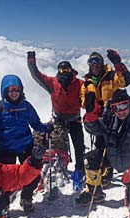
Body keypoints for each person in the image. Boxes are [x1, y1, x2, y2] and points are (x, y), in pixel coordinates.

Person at [76, 89, 130, 205]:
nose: (120, 111)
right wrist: (90, 117)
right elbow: (94, 129)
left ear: (129, 103)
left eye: (123, 106)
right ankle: (94, 193)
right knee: (89, 159)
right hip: (114, 158)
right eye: (116, 108)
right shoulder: (111, 118)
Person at [0, 74, 50, 213]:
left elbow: (35, 124)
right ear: (5, 91)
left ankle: (26, 198)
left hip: (26, 146)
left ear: (21, 90)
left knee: (33, 174)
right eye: (11, 90)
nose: (14, 93)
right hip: (6, 149)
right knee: (4, 180)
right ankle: (4, 205)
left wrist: (46, 128)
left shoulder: (26, 106)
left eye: (17, 90)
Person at [27, 51, 86, 190]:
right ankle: (49, 168)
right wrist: (31, 61)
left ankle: (79, 170)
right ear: (58, 71)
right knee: (54, 145)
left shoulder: (79, 83)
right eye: (62, 70)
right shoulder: (52, 83)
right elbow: (36, 75)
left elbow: (91, 90)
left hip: (75, 120)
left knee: (79, 146)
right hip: (59, 120)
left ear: (72, 71)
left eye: (67, 70)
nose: (64, 72)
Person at [81, 50, 130, 187]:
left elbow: (124, 81)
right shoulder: (87, 82)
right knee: (100, 143)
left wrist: (118, 64)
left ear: (102, 63)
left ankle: (110, 169)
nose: (94, 65)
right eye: (91, 62)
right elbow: (82, 99)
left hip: (115, 114)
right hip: (98, 117)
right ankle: (103, 169)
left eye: (97, 61)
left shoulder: (111, 76)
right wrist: (88, 105)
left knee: (113, 142)